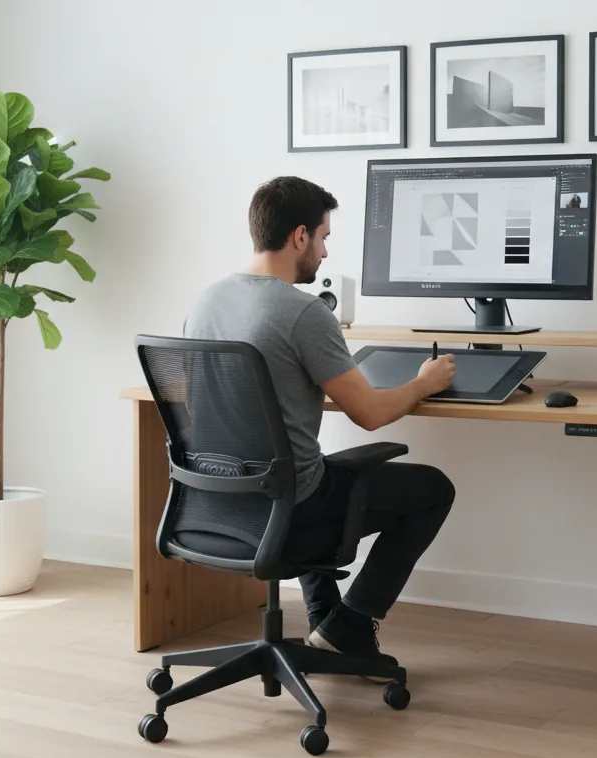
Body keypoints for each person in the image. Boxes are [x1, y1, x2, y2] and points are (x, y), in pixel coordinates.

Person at [182, 175, 457, 672]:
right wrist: (423, 382)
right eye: (325, 237)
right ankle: (349, 624)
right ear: (300, 236)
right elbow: (370, 414)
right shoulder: (303, 313)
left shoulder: (206, 301)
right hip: (287, 511)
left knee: (315, 469)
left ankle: (326, 622)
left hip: (213, 506)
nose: (326, 254)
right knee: (433, 489)